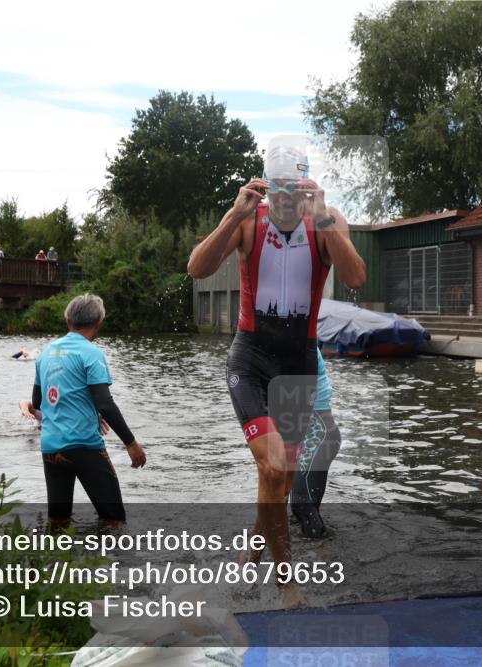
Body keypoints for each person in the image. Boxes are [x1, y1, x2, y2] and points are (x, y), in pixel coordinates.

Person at [187, 144, 365, 608]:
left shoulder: (326, 221)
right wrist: (230, 216)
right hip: (251, 360)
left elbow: (357, 277)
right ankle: (287, 583)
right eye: (278, 191)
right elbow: (197, 268)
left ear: (308, 188)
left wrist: (325, 218)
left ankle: (251, 549)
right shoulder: (249, 219)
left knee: (279, 480)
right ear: (266, 187)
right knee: (272, 466)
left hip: (299, 363)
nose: (286, 202)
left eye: (296, 192)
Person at [31, 294, 146, 528]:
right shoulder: (91, 353)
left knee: (58, 522)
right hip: (85, 446)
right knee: (114, 520)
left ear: (68, 322)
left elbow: (37, 402)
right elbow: (105, 402)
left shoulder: (45, 354)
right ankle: (107, 563)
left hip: (51, 448)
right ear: (98, 324)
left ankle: (54, 563)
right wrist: (131, 444)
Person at [290, 347, 342, 539]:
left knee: (302, 506)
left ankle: (324, 557)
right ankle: (315, 555)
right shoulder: (295, 341)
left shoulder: (302, 347)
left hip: (318, 438)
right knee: (302, 515)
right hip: (315, 439)